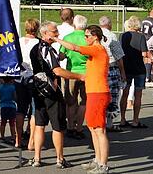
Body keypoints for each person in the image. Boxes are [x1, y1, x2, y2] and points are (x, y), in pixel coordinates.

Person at [56, 25, 111, 174]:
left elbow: (74, 48)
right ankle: (98, 160)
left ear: (95, 37)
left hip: (98, 93)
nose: (85, 38)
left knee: (99, 130)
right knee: (93, 128)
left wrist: (56, 39)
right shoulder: (95, 50)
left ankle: (103, 165)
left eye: (87, 36)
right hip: (94, 92)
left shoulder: (97, 49)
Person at [29, 22, 81, 168]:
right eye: (54, 31)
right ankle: (60, 159)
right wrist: (79, 76)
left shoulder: (35, 48)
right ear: (45, 33)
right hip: (51, 90)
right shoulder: (47, 49)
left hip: (38, 88)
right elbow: (57, 70)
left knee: (39, 125)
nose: (57, 33)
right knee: (58, 126)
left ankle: (37, 158)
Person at [60, 14, 88, 139]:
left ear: (74, 24)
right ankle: (79, 127)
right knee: (83, 102)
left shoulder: (68, 38)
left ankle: (70, 126)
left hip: (71, 72)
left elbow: (61, 56)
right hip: (86, 72)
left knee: (71, 101)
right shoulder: (88, 39)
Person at [119, 17, 148, 128]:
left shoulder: (122, 36)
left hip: (126, 67)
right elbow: (144, 54)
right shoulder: (141, 36)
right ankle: (135, 120)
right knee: (138, 95)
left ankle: (122, 119)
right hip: (139, 68)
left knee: (125, 94)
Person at [99, 16, 126, 132]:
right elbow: (119, 56)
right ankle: (109, 123)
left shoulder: (95, 34)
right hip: (111, 68)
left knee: (100, 96)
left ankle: (100, 122)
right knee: (112, 96)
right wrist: (123, 73)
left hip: (98, 69)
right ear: (109, 24)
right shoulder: (112, 36)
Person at [16, 19, 40, 150]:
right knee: (34, 109)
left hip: (20, 76)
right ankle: (31, 141)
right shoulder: (38, 43)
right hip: (33, 76)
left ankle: (18, 140)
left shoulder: (18, 41)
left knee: (20, 108)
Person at [141, 8, 153, 84]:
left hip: (143, 40)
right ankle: (149, 77)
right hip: (150, 40)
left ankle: (146, 76)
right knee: (151, 58)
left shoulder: (143, 20)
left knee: (145, 58)